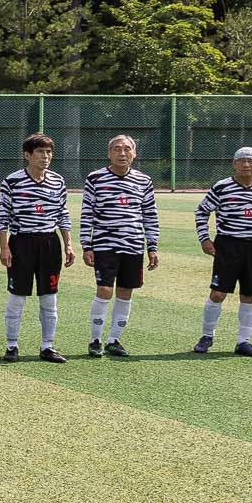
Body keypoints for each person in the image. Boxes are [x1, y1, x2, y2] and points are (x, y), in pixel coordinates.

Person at [194, 146, 252, 357]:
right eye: (241, 161)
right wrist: (204, 238)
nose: (246, 164)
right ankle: (207, 336)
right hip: (227, 245)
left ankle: (244, 341)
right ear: (234, 164)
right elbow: (202, 211)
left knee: (249, 294)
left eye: (251, 161)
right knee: (218, 293)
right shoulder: (222, 187)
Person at [0, 132, 73, 363]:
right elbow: (2, 216)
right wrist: (4, 247)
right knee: (17, 296)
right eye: (40, 152)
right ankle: (12, 345)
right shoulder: (12, 181)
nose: (45, 157)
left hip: (49, 243)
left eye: (49, 152)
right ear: (27, 155)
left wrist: (68, 243)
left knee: (49, 297)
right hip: (22, 243)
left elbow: (63, 214)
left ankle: (47, 346)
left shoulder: (58, 181)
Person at [79, 134, 159, 358]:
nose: (122, 153)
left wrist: (152, 246)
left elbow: (150, 215)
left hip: (133, 246)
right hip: (105, 244)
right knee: (104, 290)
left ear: (134, 153)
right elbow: (87, 214)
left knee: (125, 292)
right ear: (109, 153)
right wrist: (87, 244)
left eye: (126, 149)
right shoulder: (95, 179)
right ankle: (95, 339)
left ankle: (114, 340)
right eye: (116, 149)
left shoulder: (144, 181)